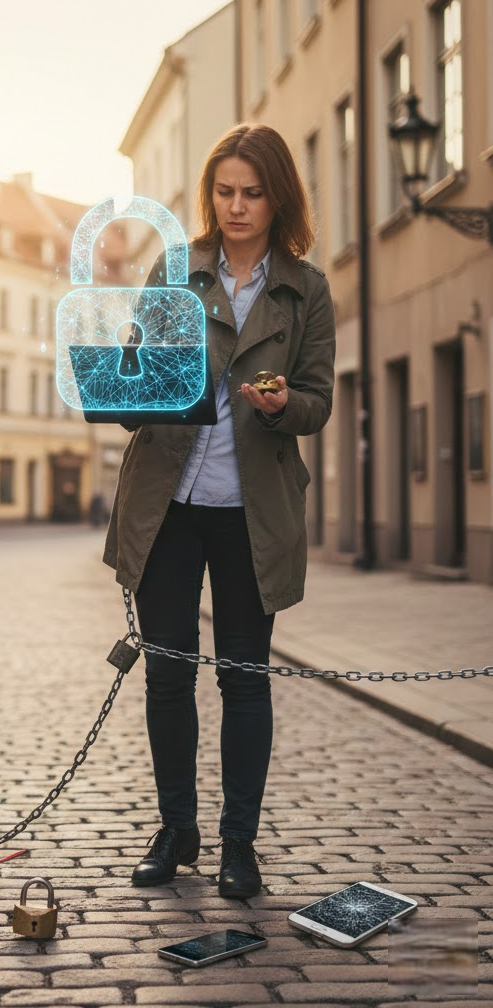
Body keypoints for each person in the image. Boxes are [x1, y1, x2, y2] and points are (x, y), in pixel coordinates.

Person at [103, 123, 336, 898]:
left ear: (278, 198)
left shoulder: (306, 288)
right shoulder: (175, 270)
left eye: (252, 193)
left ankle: (240, 843)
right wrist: (128, 382)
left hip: (251, 512)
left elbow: (318, 404)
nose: (235, 207)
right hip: (166, 504)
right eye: (224, 192)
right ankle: (177, 830)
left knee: (244, 678)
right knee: (167, 679)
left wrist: (279, 403)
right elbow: (140, 379)